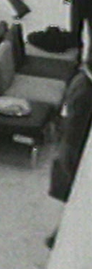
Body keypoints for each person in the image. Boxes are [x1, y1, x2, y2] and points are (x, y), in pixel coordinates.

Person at [46, 58, 92, 248]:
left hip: (72, 148)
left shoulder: (81, 83)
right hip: (75, 151)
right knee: (75, 195)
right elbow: (72, 131)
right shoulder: (85, 90)